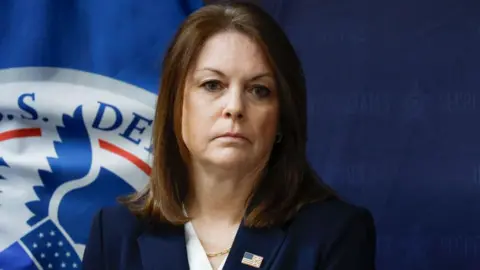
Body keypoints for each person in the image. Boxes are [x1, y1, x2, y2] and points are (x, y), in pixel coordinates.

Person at [82, 2, 376, 270]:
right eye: (213, 85)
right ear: (176, 106)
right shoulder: (115, 233)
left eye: (259, 90)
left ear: (282, 119)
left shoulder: (335, 233)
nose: (234, 107)